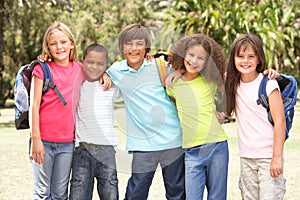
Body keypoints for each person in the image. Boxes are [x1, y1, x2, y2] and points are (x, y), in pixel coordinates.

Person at [104, 23, 185, 200]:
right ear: (121, 47)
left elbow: (187, 68)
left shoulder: (159, 65)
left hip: (173, 140)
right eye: (129, 44)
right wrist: (104, 75)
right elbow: (96, 71)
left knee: (177, 193)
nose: (134, 49)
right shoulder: (117, 70)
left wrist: (178, 71)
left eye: (139, 43)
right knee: (136, 193)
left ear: (146, 46)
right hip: (143, 145)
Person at [166, 34, 229, 200]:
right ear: (183, 55)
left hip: (217, 146)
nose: (194, 61)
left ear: (208, 62)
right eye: (191, 55)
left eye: (201, 58)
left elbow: (233, 84)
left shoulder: (211, 80)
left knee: (217, 197)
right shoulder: (172, 84)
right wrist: (178, 70)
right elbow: (160, 58)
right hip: (192, 151)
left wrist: (222, 111)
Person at [225, 34, 286, 199]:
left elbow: (280, 122)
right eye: (240, 56)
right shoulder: (232, 83)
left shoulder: (268, 84)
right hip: (246, 158)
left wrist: (277, 158)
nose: (246, 61)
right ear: (234, 59)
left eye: (251, 56)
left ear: (259, 59)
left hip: (268, 157)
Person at [29, 22, 83, 199]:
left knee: (60, 194)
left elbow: (100, 71)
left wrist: (105, 74)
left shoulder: (79, 69)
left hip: (67, 143)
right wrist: (36, 140)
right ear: (48, 47)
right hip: (42, 140)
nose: (59, 47)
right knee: (42, 192)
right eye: (53, 44)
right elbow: (34, 105)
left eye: (63, 42)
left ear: (71, 43)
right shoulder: (41, 69)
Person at [69, 44, 120, 200]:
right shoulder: (77, 83)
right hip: (82, 151)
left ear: (106, 66)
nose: (94, 67)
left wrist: (109, 74)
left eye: (100, 64)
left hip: (107, 151)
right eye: (90, 62)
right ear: (83, 62)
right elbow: (64, 65)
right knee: (78, 194)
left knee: (110, 194)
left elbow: (127, 69)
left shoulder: (111, 86)